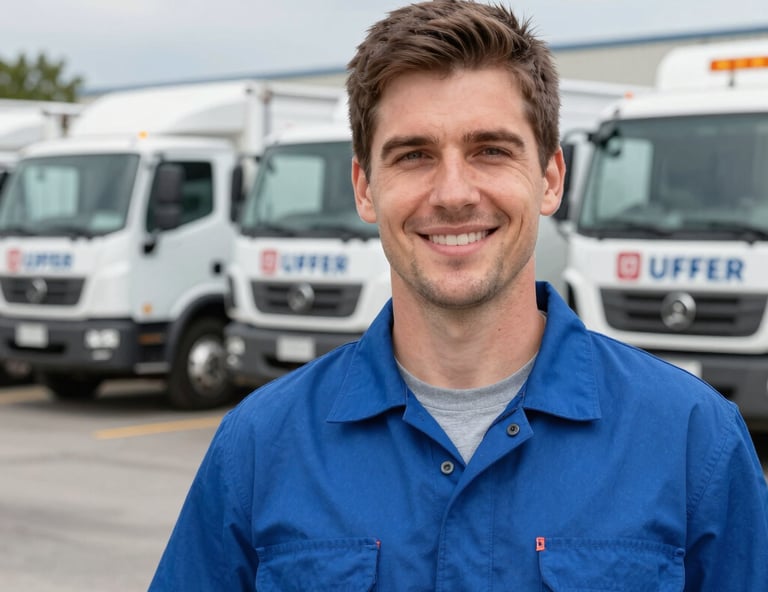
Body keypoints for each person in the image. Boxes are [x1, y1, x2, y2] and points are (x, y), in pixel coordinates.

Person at [150, 1, 768, 589]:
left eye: (490, 151)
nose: (452, 193)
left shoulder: (694, 441)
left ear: (550, 179)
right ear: (365, 188)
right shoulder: (259, 447)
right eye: (414, 155)